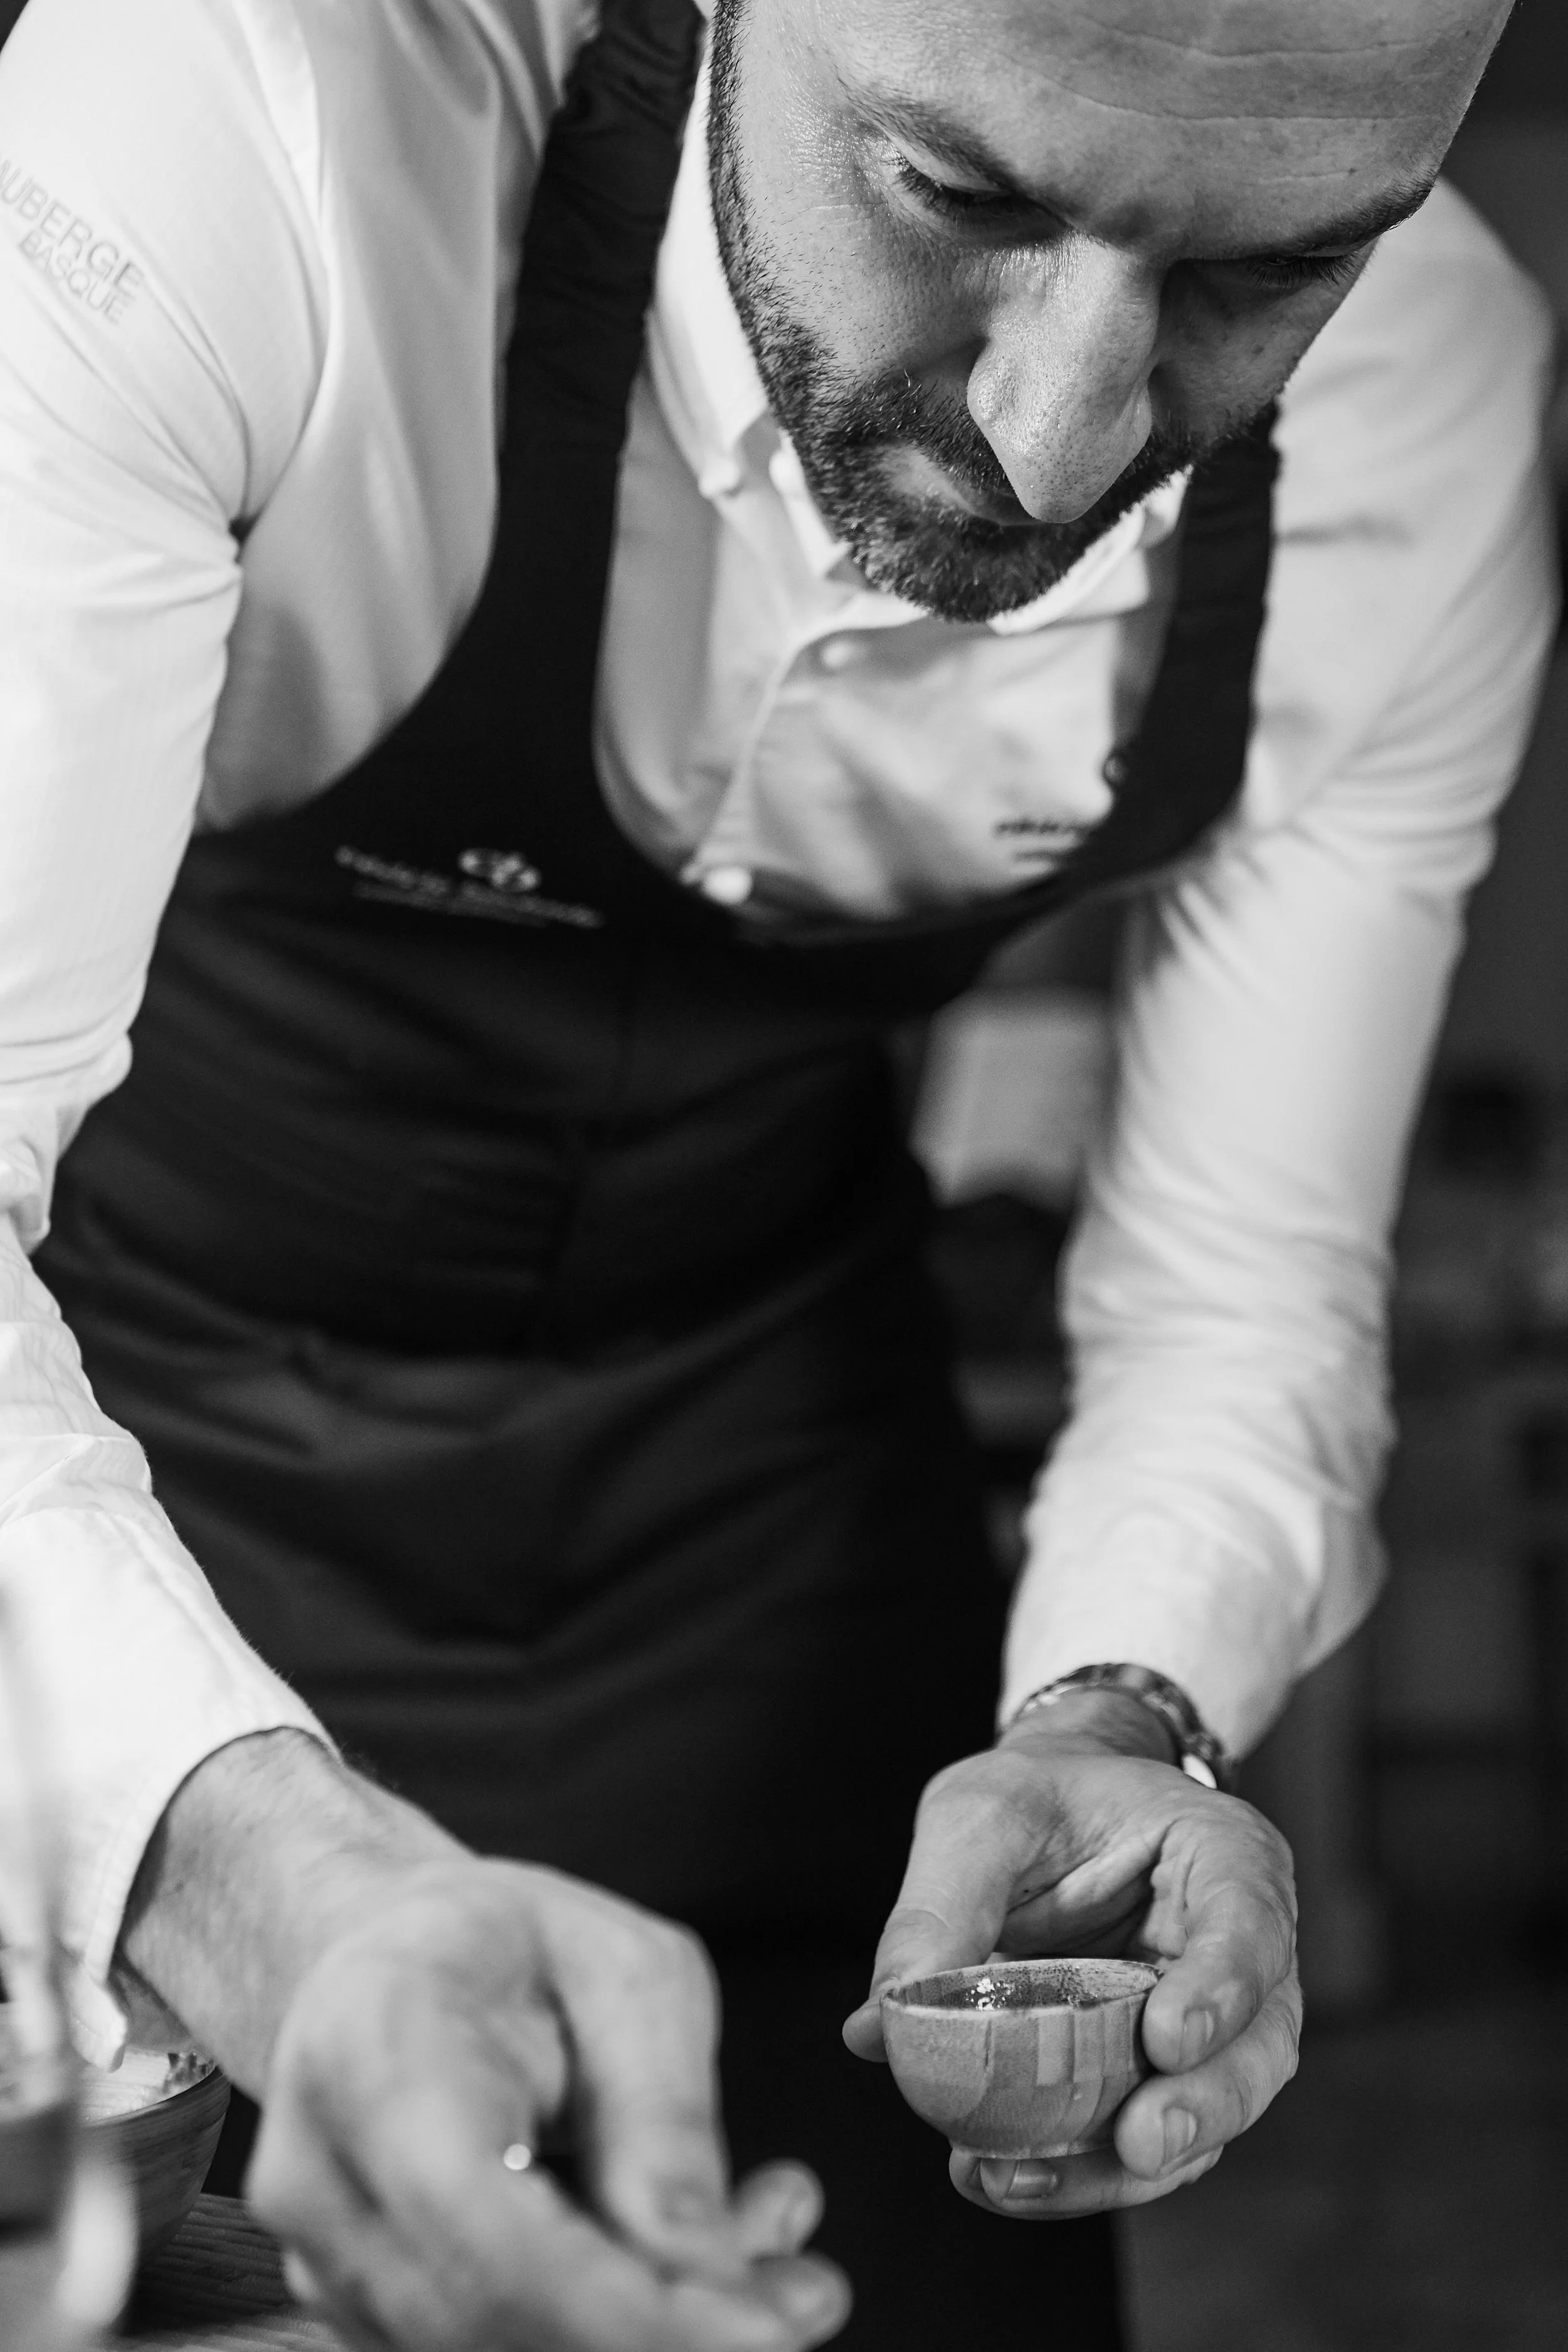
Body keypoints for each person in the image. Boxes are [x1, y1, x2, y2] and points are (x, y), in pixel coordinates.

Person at [0, 0, 1554, 2344]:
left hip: (781, 1555)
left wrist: (1116, 1718)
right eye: (961, 197)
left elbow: (1241, 1286)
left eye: (1266, 275)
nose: (1055, 444)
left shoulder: (1420, 408)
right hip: (111, 1506)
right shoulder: (235, 123)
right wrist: (250, 1881)